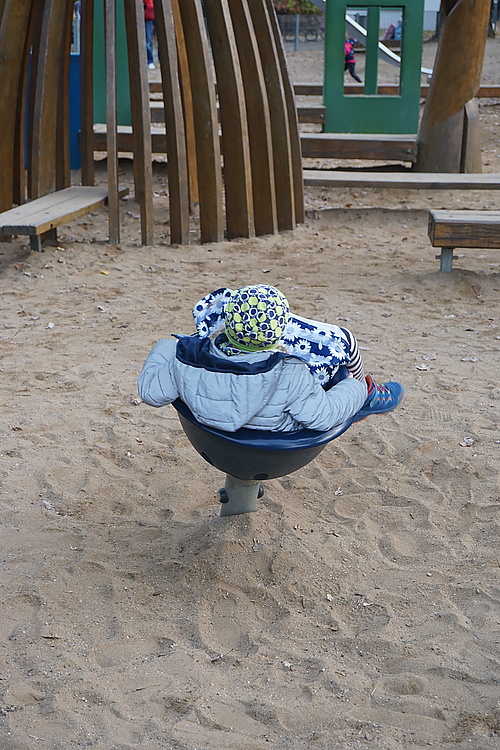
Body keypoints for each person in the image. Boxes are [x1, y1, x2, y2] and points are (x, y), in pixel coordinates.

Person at [138, 285, 404, 433]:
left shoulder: (186, 357)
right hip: (270, 440)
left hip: (210, 433)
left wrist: (167, 347)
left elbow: (151, 393)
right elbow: (321, 418)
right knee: (338, 381)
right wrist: (354, 387)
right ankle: (368, 395)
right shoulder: (291, 373)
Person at [144, 0, 155, 69]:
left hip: (148, 16)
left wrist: (147, 5)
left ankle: (150, 60)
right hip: (145, 15)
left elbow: (151, 4)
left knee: (148, 41)